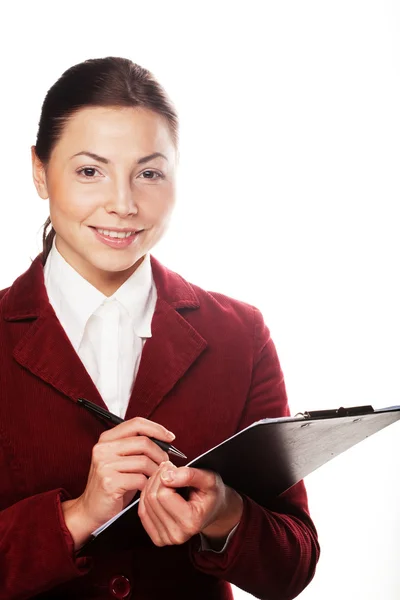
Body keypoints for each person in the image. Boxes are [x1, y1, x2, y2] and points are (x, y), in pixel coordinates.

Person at [0, 56, 320, 600]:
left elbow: (293, 567)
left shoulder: (239, 335)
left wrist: (224, 515)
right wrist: (78, 515)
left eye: (149, 173)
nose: (123, 204)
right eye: (89, 171)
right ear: (38, 171)